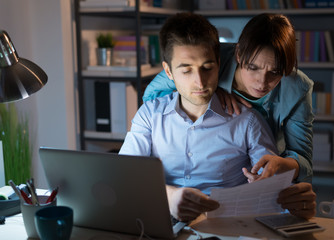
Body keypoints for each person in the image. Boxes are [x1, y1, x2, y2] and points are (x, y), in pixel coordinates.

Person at [121, 12, 316, 221]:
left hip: (227, 216)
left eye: (275, 72)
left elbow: (284, 174)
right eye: (253, 68)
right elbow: (151, 98)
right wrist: (214, 91)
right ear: (238, 56)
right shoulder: (153, 111)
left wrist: (290, 192)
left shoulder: (276, 102)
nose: (261, 82)